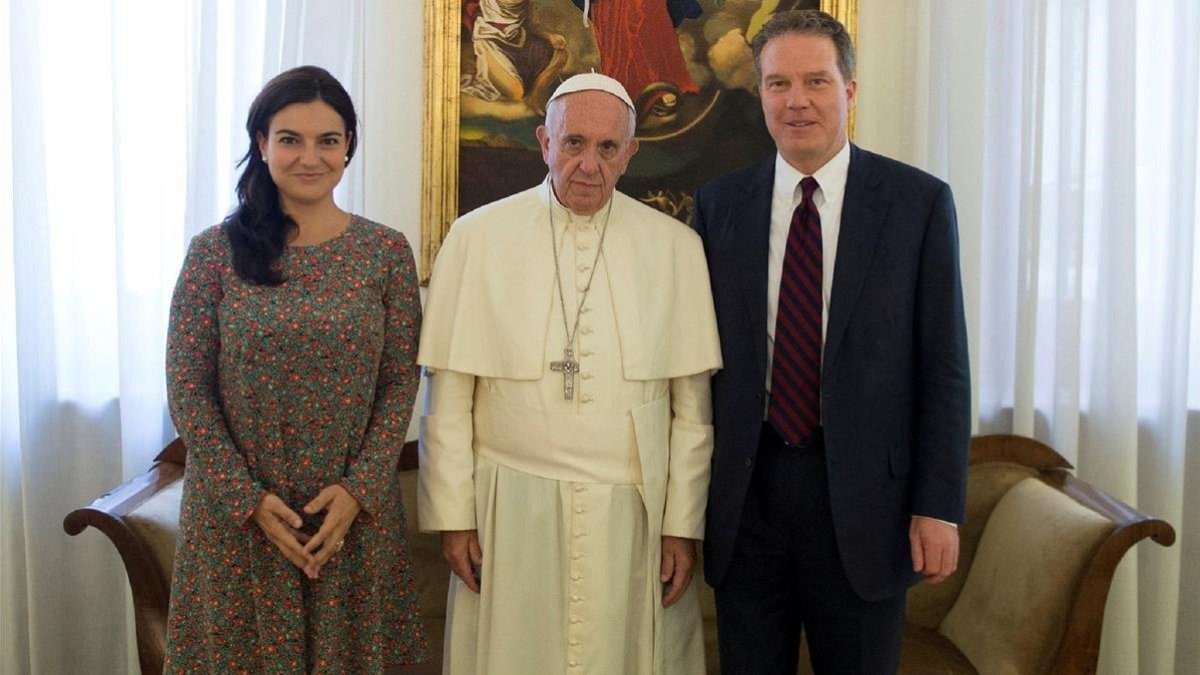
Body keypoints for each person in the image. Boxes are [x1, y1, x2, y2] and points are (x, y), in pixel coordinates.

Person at [691, 10, 971, 674]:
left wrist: (938, 504)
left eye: (816, 80)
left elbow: (944, 366)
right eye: (777, 83)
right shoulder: (719, 205)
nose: (797, 101)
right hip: (748, 496)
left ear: (850, 90)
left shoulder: (917, 203)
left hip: (867, 504)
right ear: (758, 94)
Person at [417, 72, 722, 674]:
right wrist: (454, 518)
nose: (589, 165)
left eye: (608, 148)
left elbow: (693, 411)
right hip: (510, 506)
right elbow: (448, 395)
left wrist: (681, 526)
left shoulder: (675, 247)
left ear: (631, 152)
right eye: (574, 143)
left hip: (632, 512)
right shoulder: (476, 238)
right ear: (544, 142)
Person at [163, 65, 427, 673]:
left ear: (348, 147)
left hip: (350, 520)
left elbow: (398, 383)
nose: (310, 157)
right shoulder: (214, 253)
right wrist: (249, 500)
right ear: (261, 144)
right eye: (290, 139)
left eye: (327, 140)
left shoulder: (384, 252)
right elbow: (187, 389)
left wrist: (358, 490)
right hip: (238, 521)